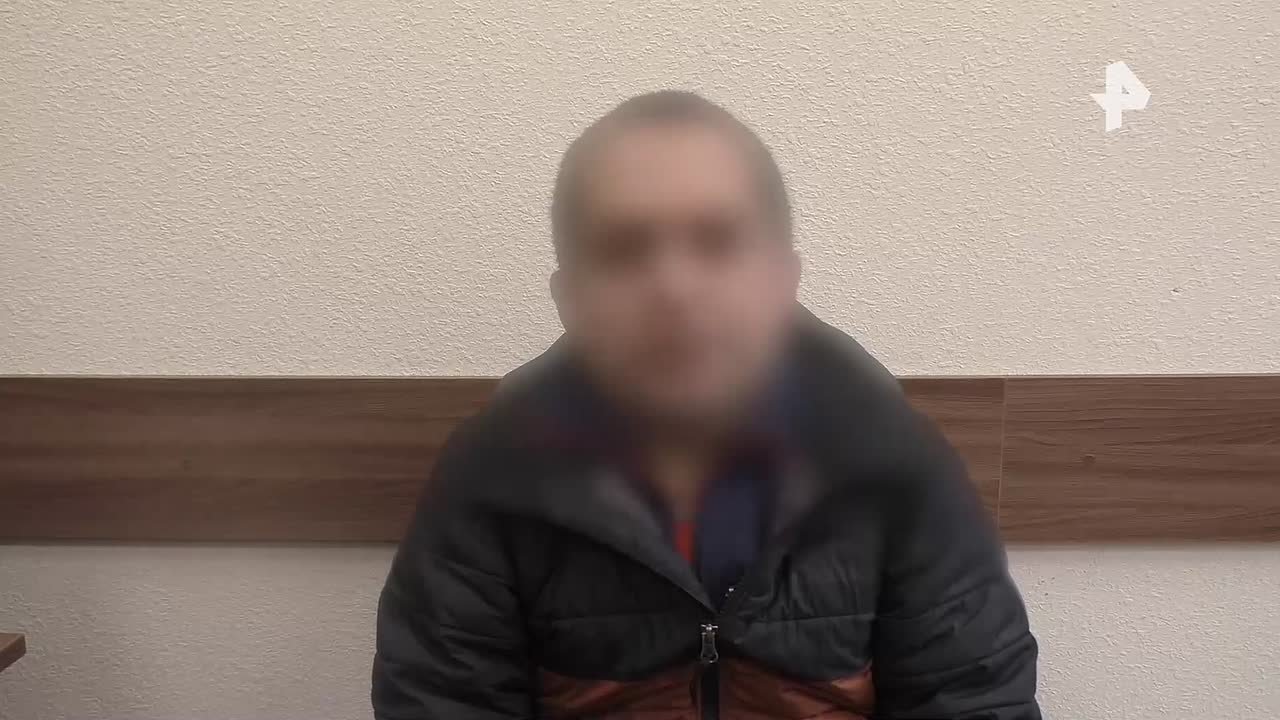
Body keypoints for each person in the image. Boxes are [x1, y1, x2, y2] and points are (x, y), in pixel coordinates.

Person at [372, 90, 1041, 720]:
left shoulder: (898, 468)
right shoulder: (490, 480)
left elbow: (976, 702)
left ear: (781, 279)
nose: (674, 286)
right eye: (625, 249)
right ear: (569, 296)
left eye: (717, 241)